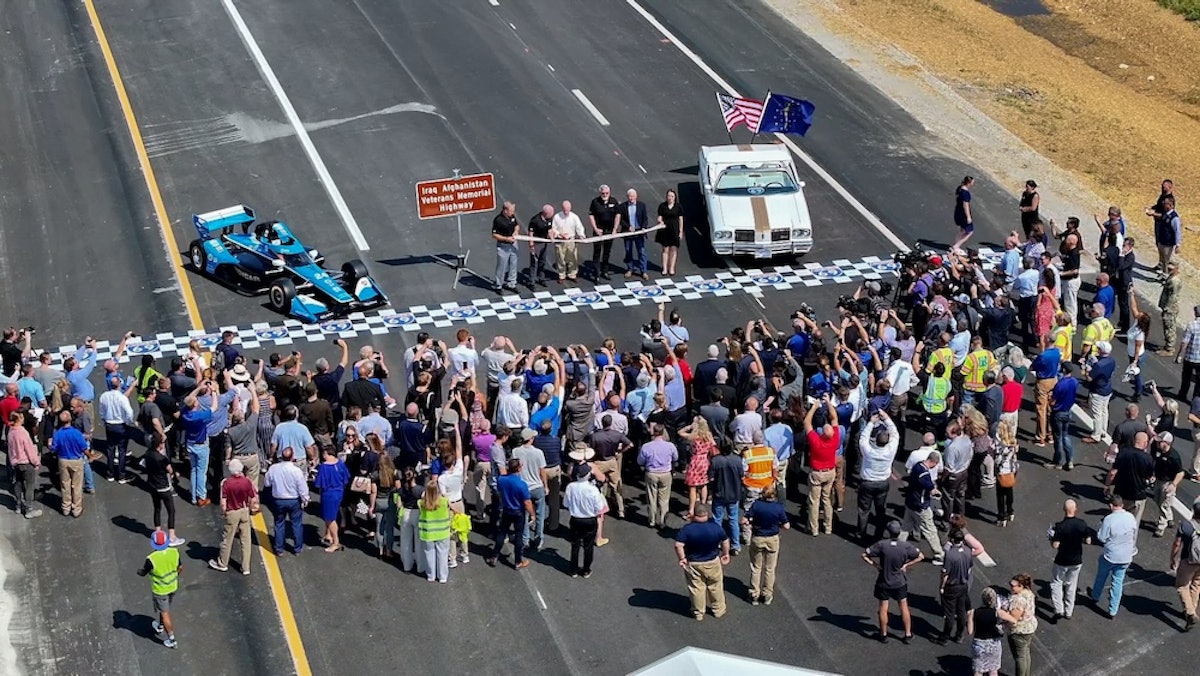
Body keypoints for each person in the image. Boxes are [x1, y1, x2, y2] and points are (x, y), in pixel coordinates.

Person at [862, 520, 922, 643]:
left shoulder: (882, 544)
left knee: (883, 608)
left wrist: (876, 565)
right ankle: (908, 634)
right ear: (899, 532)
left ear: (888, 532)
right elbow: (920, 556)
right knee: (903, 607)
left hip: (884, 581)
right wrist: (906, 565)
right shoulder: (906, 546)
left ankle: (883, 634)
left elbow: (864, 555)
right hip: (899, 582)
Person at [674, 503, 731, 621]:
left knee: (696, 588)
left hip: (694, 563)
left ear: (694, 514)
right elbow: (725, 540)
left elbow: (678, 545)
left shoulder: (687, 529)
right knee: (715, 586)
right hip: (712, 561)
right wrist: (725, 554)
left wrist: (682, 558)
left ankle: (698, 612)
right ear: (707, 514)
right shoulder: (715, 527)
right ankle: (718, 610)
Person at [1088, 494, 1139, 618]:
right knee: (1118, 582)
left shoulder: (1109, 519)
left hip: (1110, 555)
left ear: (1111, 505)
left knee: (1101, 576)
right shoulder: (1130, 517)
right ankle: (1113, 609)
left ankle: (1095, 595)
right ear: (1122, 505)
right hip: (1126, 556)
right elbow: (1133, 533)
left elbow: (1101, 537)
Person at [209, 458, 258, 574]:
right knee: (246, 540)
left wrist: (224, 512)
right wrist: (250, 507)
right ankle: (246, 567)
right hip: (244, 510)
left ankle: (222, 563)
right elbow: (253, 498)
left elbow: (223, 501)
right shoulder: (246, 481)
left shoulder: (226, 483)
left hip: (232, 512)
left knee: (227, 539)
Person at [744, 484, 789, 605]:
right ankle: (767, 594)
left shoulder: (756, 505)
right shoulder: (778, 507)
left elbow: (745, 519)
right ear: (774, 495)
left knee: (756, 567)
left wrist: (750, 522)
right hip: (772, 539)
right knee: (770, 568)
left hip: (758, 537)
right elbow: (786, 525)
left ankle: (754, 594)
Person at [1049, 499, 1094, 620]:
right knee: (1071, 585)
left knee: (1056, 582)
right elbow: (1088, 541)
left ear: (1064, 510)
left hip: (1062, 560)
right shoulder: (1082, 523)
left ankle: (1059, 608)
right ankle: (1069, 611)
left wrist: (1051, 538)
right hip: (1076, 560)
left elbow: (1055, 545)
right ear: (1075, 509)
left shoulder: (1060, 526)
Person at [857, 411, 898, 542]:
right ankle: (878, 535)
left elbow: (863, 438)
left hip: (867, 483)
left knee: (864, 510)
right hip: (882, 483)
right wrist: (886, 418)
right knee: (880, 510)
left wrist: (871, 423)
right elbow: (895, 432)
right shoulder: (890, 450)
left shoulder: (868, 451)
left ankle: (861, 533)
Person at [487, 457, 535, 569]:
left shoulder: (501, 480)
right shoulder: (521, 484)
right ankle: (518, 561)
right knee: (518, 536)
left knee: (502, 532)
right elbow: (527, 502)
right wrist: (532, 514)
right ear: (518, 469)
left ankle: (495, 556)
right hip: (518, 512)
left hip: (506, 509)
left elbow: (499, 492)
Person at [137, 530, 182, 649]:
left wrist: (139, 572)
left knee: (164, 612)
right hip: (173, 586)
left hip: (160, 590)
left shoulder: (151, 559)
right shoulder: (174, 552)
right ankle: (160, 626)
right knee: (165, 609)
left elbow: (144, 572)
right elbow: (180, 567)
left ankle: (172, 640)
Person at [804, 397, 840, 536]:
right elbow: (834, 418)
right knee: (826, 499)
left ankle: (814, 529)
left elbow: (807, 422)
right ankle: (828, 527)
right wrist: (829, 403)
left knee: (814, 501)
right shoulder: (835, 438)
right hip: (830, 472)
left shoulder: (816, 441)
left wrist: (814, 406)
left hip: (817, 473)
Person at [564, 462, 606, 578]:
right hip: (589, 520)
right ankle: (586, 570)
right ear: (587, 475)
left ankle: (573, 570)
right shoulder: (593, 490)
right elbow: (599, 507)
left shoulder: (570, 487)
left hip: (575, 519)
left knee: (575, 545)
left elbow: (566, 504)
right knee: (588, 546)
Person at [901, 450, 944, 564]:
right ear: (934, 463)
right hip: (921, 506)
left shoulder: (917, 465)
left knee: (905, 527)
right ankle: (939, 554)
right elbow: (930, 488)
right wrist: (936, 492)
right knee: (930, 530)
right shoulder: (925, 475)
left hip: (910, 502)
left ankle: (898, 549)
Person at [264, 448, 309, 556]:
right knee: (296, 524)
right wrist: (305, 499)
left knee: (279, 524)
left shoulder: (273, 468)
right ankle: (297, 549)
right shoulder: (296, 471)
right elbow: (302, 487)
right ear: (292, 457)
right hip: (294, 500)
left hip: (278, 500)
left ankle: (279, 549)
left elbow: (267, 483)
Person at [142, 434, 185, 547]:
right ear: (160, 444)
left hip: (152, 485)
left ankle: (158, 533)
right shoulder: (162, 459)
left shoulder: (147, 454)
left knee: (157, 508)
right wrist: (175, 474)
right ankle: (172, 536)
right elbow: (170, 471)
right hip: (163, 487)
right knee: (171, 511)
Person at [637, 423, 678, 529]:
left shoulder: (646, 446)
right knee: (664, 499)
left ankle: (652, 520)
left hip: (651, 473)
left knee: (651, 498)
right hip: (665, 473)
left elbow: (640, 461)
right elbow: (675, 458)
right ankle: (663, 521)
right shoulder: (670, 446)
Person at [936, 529, 973, 644]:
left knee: (949, 613)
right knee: (961, 611)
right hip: (963, 585)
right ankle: (959, 635)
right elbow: (969, 568)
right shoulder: (968, 550)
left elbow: (945, 573)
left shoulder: (950, 554)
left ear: (952, 539)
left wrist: (942, 587)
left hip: (952, 587)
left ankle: (945, 637)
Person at [997, 573, 1038, 676]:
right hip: (1029, 627)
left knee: (1020, 657)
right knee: (1026, 654)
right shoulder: (1028, 593)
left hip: (1019, 631)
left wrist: (1002, 612)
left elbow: (1013, 618)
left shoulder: (1018, 600)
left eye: (1013, 586)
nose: (1010, 587)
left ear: (1021, 586)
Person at [1169, 497, 1200, 631]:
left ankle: (1190, 613)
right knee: (1196, 583)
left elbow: (1177, 544)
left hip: (1188, 560)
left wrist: (1173, 558)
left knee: (1182, 585)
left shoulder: (1186, 526)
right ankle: (1190, 608)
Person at [51, 410, 88, 517]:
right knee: (76, 486)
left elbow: (54, 448)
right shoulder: (76, 433)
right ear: (70, 419)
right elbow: (83, 448)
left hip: (63, 460)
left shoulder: (57, 434)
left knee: (65, 484)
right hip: (76, 460)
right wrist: (90, 456)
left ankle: (66, 507)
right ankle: (76, 508)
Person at [678, 417, 717, 519]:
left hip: (695, 461)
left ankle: (691, 510)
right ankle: (702, 506)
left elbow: (680, 432)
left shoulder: (693, 436)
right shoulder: (708, 436)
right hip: (705, 461)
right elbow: (714, 445)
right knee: (704, 484)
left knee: (692, 487)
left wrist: (689, 426)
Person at [7, 411, 41, 518]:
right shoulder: (23, 433)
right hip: (26, 463)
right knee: (29, 486)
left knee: (18, 483)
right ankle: (29, 509)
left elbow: (10, 450)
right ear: (19, 419)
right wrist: (36, 462)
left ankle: (18, 505)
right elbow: (29, 450)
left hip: (16, 463)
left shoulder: (10, 432)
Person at [418, 481, 452, 583]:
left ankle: (430, 575)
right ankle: (442, 576)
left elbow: (422, 498)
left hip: (427, 533)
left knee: (429, 554)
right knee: (442, 554)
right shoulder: (444, 501)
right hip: (443, 532)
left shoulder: (421, 503)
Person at [396, 467, 426, 575]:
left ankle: (407, 565)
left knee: (405, 541)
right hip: (417, 514)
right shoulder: (420, 489)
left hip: (405, 513)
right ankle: (420, 566)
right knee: (418, 541)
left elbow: (399, 504)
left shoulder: (401, 490)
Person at [588, 185, 621, 280]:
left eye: (607, 193)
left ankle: (605, 271)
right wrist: (595, 229)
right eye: (603, 193)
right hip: (599, 231)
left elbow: (617, 215)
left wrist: (615, 229)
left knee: (607, 252)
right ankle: (596, 273)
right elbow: (591, 216)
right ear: (600, 193)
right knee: (597, 252)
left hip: (609, 231)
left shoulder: (614, 201)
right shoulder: (595, 202)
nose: (605, 195)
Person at [968, 587, 1004, 676]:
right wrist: (1002, 626)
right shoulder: (997, 612)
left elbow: (970, 631)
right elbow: (1013, 620)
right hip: (993, 644)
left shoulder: (973, 612)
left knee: (978, 670)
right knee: (993, 670)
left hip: (979, 644)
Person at [551, 200, 585, 284]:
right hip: (560, 241)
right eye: (564, 210)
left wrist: (581, 236)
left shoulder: (574, 217)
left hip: (571, 240)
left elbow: (579, 227)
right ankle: (561, 275)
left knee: (573, 258)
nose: (566, 212)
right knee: (560, 258)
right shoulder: (557, 217)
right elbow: (553, 228)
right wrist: (560, 234)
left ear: (570, 208)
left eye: (568, 210)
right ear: (562, 208)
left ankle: (572, 274)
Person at [620, 188, 650, 279]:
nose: (631, 198)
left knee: (641, 251)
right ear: (627, 197)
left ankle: (643, 271)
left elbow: (645, 218)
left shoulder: (642, 205)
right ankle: (630, 269)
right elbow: (620, 220)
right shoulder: (623, 206)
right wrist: (628, 227)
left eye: (633, 196)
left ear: (636, 196)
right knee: (628, 251)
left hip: (639, 232)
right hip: (628, 233)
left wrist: (644, 227)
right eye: (629, 196)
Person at [491, 201, 520, 293]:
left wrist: (516, 231)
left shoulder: (512, 217)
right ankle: (498, 285)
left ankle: (511, 283)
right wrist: (506, 239)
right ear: (505, 211)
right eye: (511, 211)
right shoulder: (498, 220)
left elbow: (517, 225)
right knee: (502, 266)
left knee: (513, 264)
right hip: (503, 246)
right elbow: (494, 235)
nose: (513, 213)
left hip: (513, 244)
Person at [994, 424, 1019, 526]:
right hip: (1012, 470)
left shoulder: (1001, 447)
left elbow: (998, 460)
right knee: (1009, 492)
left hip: (1002, 472)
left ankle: (1001, 516)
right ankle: (1010, 511)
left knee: (1000, 495)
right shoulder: (1013, 443)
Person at [655, 189, 683, 276]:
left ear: (675, 197)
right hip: (665, 230)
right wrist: (659, 220)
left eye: (672, 196)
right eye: (668, 196)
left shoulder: (678, 207)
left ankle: (671, 268)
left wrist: (681, 231)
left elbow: (681, 219)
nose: (670, 198)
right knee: (665, 249)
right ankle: (664, 268)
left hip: (674, 229)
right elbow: (660, 217)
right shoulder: (662, 206)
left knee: (674, 249)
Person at [527, 204, 554, 286]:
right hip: (536, 244)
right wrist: (531, 245)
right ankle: (531, 281)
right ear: (546, 213)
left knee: (542, 261)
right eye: (551, 213)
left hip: (544, 243)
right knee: (534, 262)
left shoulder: (549, 219)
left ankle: (541, 278)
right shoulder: (535, 220)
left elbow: (549, 229)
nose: (552, 215)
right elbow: (530, 233)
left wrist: (551, 237)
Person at [952, 176, 976, 251]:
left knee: (962, 230)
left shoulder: (960, 190)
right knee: (970, 231)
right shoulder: (965, 193)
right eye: (972, 182)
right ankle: (956, 246)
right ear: (969, 182)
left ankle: (956, 245)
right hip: (963, 214)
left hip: (958, 211)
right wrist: (968, 217)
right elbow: (965, 205)